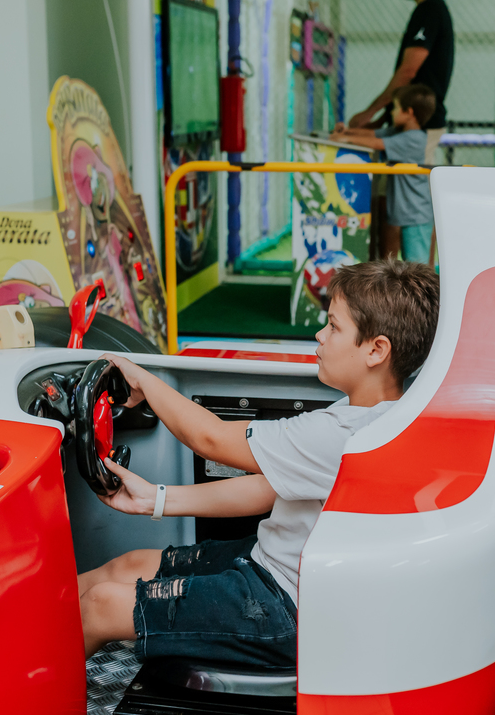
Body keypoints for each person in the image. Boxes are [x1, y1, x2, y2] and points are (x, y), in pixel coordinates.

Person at [77, 261, 441, 667]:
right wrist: (155, 499)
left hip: (283, 608)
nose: (319, 335)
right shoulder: (386, 414)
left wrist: (143, 380)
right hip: (270, 566)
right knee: (125, 566)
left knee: (98, 605)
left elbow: (210, 438)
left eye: (334, 327)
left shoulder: (341, 434)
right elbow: (270, 487)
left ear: (377, 349)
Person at [332, 84, 436, 263]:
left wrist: (345, 138)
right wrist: (347, 131)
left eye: (395, 108)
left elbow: (377, 143)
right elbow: (372, 134)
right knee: (410, 264)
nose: (392, 113)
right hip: (406, 211)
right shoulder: (399, 132)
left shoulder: (414, 138)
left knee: (417, 265)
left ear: (409, 113)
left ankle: (428, 292)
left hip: (416, 214)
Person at [346, 0, 454, 164]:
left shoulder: (431, 10)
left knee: (413, 183)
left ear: (409, 113)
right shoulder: (428, 10)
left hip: (424, 127)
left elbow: (408, 71)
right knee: (390, 184)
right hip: (410, 126)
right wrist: (381, 119)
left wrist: (370, 112)